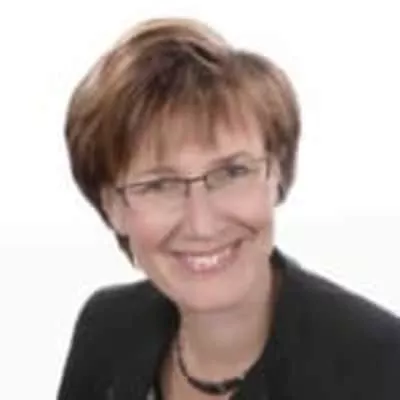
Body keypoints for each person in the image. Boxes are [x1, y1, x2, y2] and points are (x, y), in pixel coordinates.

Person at [57, 17, 400, 400]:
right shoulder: (106, 330)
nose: (202, 224)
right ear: (112, 206)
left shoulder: (382, 367)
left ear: (278, 173)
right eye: (160, 185)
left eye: (231, 173)